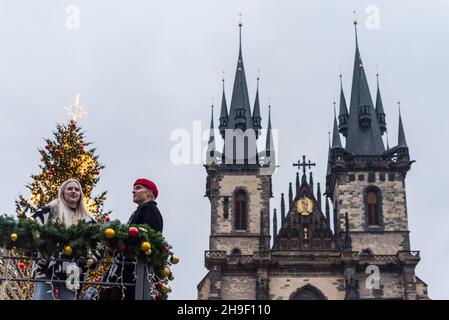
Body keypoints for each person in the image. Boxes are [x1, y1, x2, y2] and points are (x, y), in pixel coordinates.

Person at [100, 178, 163, 300]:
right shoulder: (139, 211)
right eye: (134, 188)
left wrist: (122, 243)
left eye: (138, 188)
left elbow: (147, 240)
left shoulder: (151, 210)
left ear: (149, 193)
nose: (133, 191)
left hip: (133, 272)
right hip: (123, 270)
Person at [32, 178, 93, 300]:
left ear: (80, 194)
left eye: (77, 189)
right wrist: (40, 254)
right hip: (46, 269)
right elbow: (31, 228)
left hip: (72, 272)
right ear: (62, 192)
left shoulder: (87, 220)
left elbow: (97, 243)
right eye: (69, 188)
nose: (73, 191)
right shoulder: (48, 211)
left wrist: (89, 260)